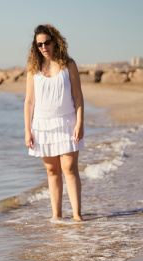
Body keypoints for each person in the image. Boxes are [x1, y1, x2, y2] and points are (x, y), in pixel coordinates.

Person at [24, 24, 85, 222]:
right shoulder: (34, 68)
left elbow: (78, 96)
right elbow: (29, 101)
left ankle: (77, 215)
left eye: (47, 42)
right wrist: (27, 130)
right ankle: (56, 216)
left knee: (69, 168)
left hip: (67, 121)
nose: (44, 47)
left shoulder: (69, 64)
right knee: (52, 170)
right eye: (39, 44)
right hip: (42, 125)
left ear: (55, 41)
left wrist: (80, 122)